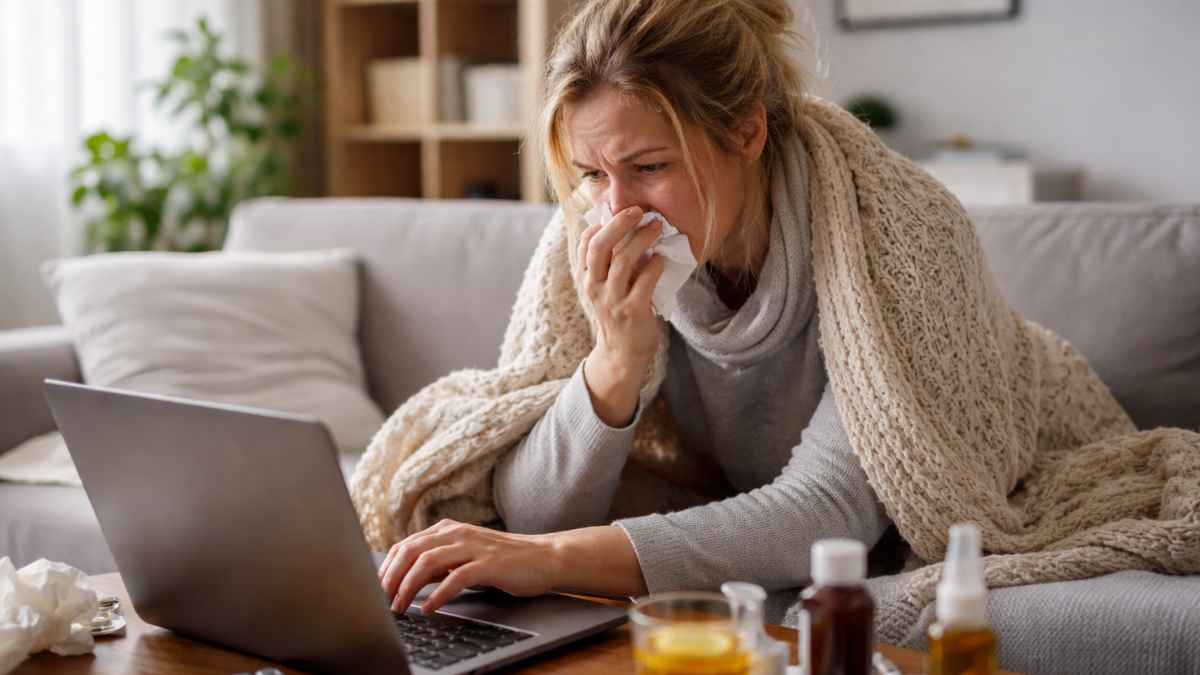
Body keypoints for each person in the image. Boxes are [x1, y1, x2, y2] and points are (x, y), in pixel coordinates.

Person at [374, 0, 890, 616]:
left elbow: (832, 510)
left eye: (649, 166)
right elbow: (535, 516)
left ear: (747, 133)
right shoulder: (586, 237)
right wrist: (616, 359)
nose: (619, 211)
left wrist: (554, 559)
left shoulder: (884, 232)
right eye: (591, 173)